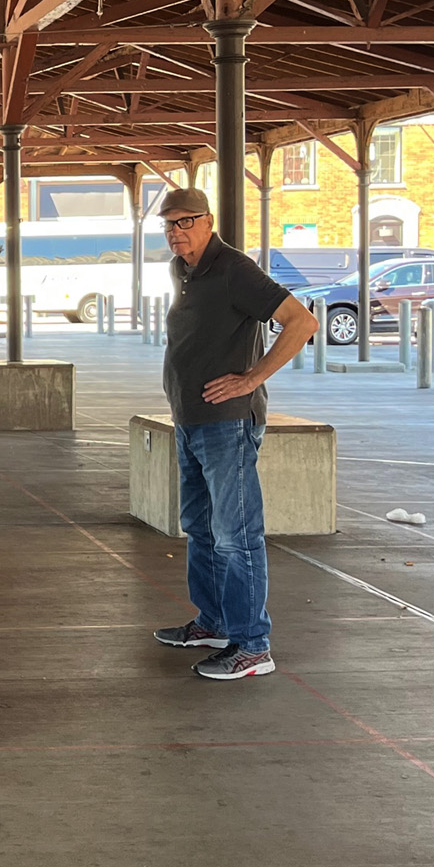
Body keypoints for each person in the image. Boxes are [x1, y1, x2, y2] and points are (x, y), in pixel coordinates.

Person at [150, 187, 319, 680]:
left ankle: (252, 645)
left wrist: (252, 378)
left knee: (235, 537)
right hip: (190, 420)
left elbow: (301, 321)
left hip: (227, 426)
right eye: (169, 225)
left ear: (208, 222)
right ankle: (214, 623)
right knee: (202, 530)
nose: (176, 232)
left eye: (186, 222)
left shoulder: (234, 270)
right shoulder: (183, 269)